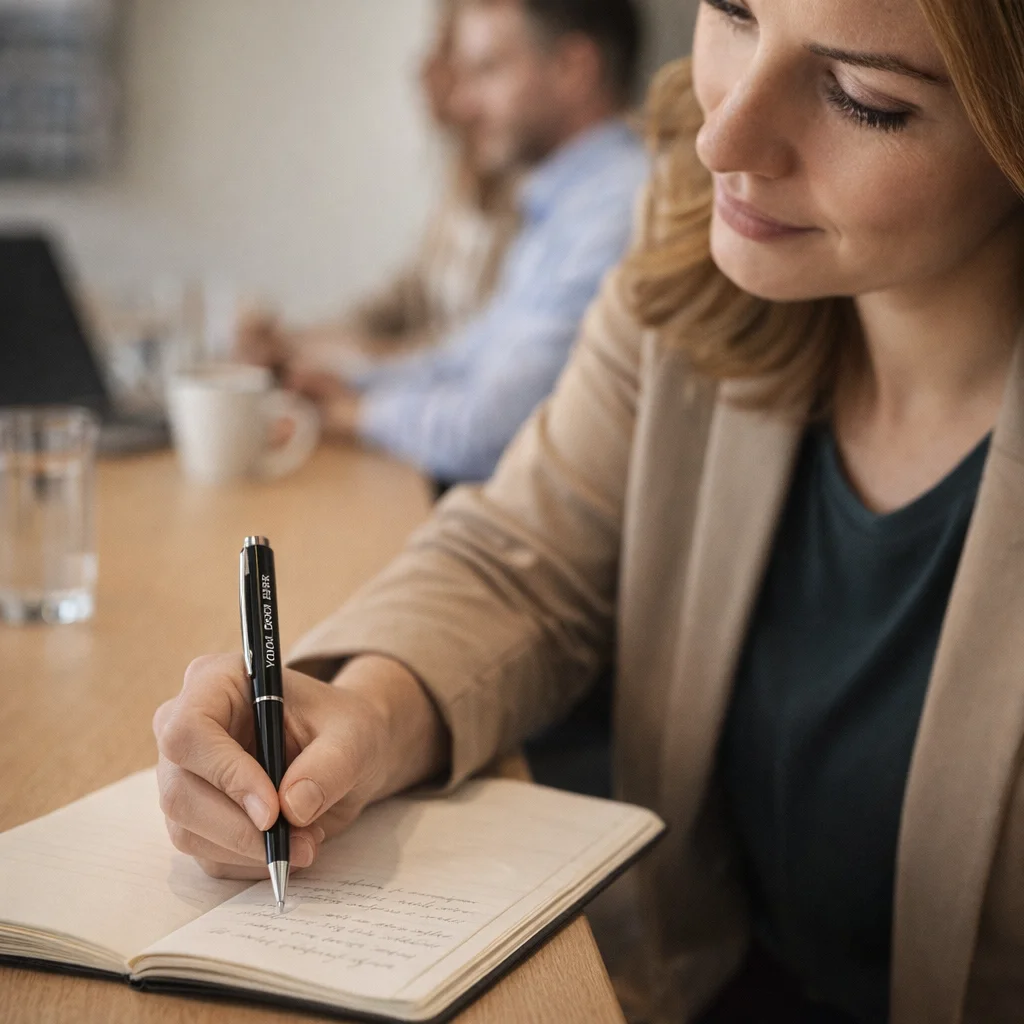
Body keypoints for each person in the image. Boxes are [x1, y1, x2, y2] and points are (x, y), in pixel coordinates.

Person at [151, 0, 1024, 1019]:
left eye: (861, 98)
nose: (720, 136)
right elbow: (522, 552)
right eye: (734, 13)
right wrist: (358, 709)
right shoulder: (696, 254)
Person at [251, 0, 648, 486]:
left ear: (573, 68)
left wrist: (356, 412)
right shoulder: (560, 202)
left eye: (488, 70)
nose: (462, 103)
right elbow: (470, 357)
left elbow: (495, 430)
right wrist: (347, 382)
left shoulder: (615, 210)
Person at [239, 0, 520, 375]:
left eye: (458, 56)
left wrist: (350, 357)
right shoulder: (469, 171)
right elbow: (409, 294)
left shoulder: (534, 183)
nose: (425, 71)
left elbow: (475, 358)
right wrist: (301, 340)